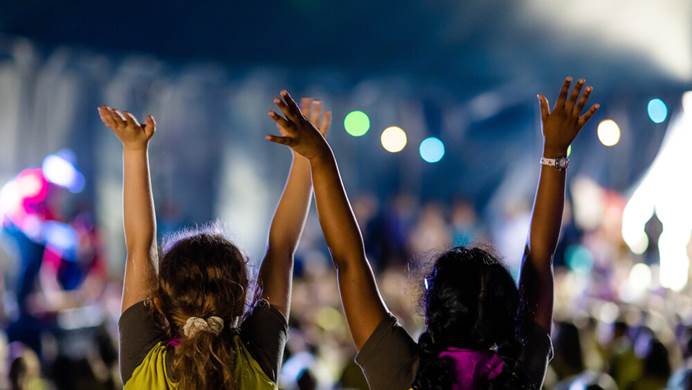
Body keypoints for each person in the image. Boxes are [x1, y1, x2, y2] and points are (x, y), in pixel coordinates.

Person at [265, 78, 599, 389]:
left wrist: (319, 157)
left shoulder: (401, 370)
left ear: (432, 305)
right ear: (509, 311)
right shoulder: (520, 372)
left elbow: (350, 260)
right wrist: (554, 152)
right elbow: (539, 260)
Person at [98, 97, 331, 389]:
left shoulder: (146, 367)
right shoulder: (255, 362)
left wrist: (134, 150)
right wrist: (307, 157)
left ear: (159, 302)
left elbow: (138, 246)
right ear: (242, 298)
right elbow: (281, 247)